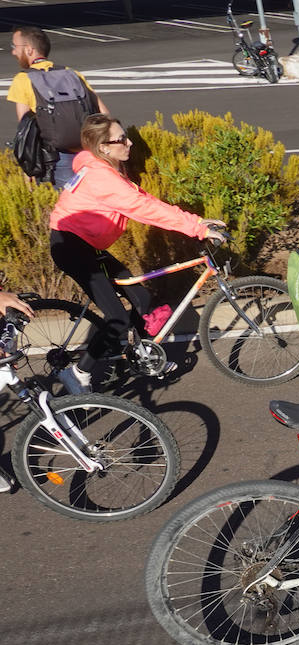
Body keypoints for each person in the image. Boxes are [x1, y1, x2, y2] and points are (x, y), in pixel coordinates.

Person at [47, 114, 227, 395]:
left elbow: (146, 201)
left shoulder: (106, 168)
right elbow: (143, 209)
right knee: (117, 318)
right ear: (104, 147)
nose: (129, 143)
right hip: (71, 246)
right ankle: (78, 374)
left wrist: (198, 222)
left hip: (86, 243)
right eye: (122, 139)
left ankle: (144, 358)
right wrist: (196, 229)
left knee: (141, 298)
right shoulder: (102, 177)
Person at [7, 26, 108, 187]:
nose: (13, 52)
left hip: (57, 158)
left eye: (14, 47)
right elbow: (104, 113)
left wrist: (29, 167)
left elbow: (26, 130)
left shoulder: (23, 79)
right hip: (89, 151)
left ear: (29, 50)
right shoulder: (71, 73)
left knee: (69, 203)